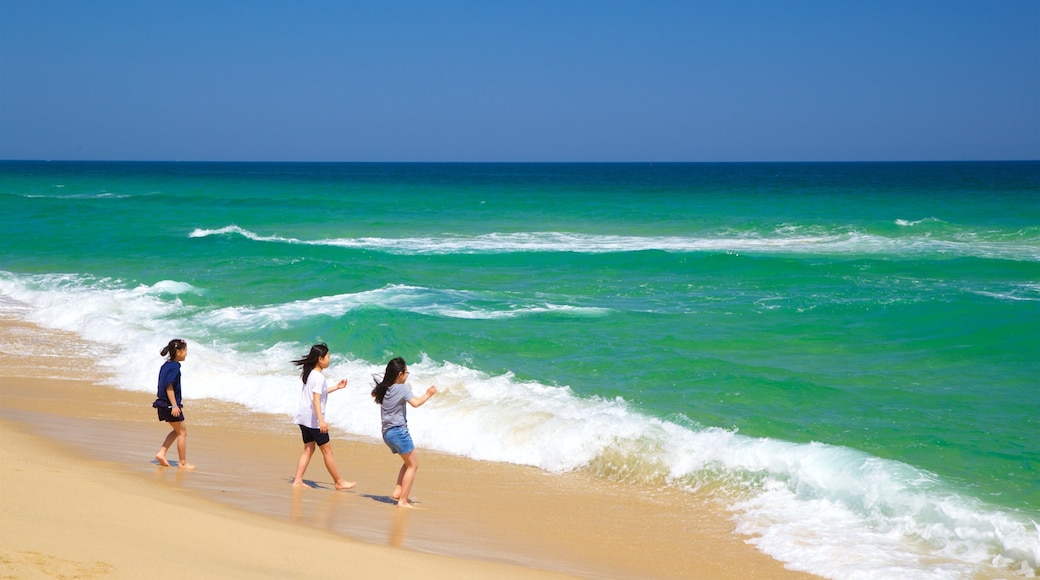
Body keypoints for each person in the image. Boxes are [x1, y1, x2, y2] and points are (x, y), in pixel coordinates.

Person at [372, 357, 437, 508]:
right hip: (399, 432)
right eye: (406, 372)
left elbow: (373, 394)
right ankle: (402, 500)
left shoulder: (384, 388)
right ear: (400, 374)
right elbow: (415, 403)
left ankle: (398, 492)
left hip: (387, 433)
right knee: (413, 465)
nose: (407, 375)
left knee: (407, 463)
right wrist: (429, 393)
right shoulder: (402, 388)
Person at [291, 343, 356, 490]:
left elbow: (319, 394)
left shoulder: (310, 374)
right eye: (328, 356)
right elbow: (316, 399)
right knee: (328, 451)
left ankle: (298, 480)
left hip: (303, 418)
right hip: (314, 421)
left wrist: (337, 387)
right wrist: (321, 420)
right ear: (320, 359)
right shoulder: (319, 377)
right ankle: (339, 482)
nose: (330, 359)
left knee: (308, 449)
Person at [153, 338, 195, 469]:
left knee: (177, 431)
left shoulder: (167, 365)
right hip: (169, 405)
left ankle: (162, 453)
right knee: (182, 432)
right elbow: (169, 387)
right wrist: (174, 405)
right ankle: (182, 463)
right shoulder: (175, 367)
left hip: (163, 404)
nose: (186, 353)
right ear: (178, 352)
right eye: (185, 350)